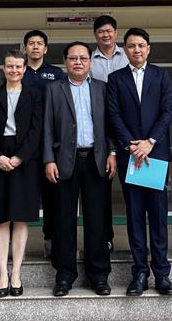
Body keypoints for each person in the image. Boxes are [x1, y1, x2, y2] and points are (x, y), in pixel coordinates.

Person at [43, 41, 117, 297]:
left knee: (97, 220)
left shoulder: (102, 89)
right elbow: (47, 127)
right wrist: (48, 159)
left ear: (90, 62)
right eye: (73, 58)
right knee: (63, 220)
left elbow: (109, 125)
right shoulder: (54, 89)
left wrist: (113, 153)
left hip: (96, 160)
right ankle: (65, 274)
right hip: (65, 161)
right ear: (65, 62)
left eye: (83, 58)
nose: (78, 62)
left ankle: (98, 275)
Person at [106, 27, 172, 296]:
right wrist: (132, 145)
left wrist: (150, 143)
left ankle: (161, 273)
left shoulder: (160, 75)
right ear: (124, 49)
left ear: (148, 48)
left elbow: (167, 110)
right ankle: (139, 273)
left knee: (158, 216)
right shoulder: (116, 78)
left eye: (141, 45)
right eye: (131, 46)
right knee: (135, 216)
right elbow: (113, 115)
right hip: (131, 156)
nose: (136, 50)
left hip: (155, 155)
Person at [0, 49, 43, 298]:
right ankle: (2, 273)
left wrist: (20, 157)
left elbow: (37, 129)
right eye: (10, 66)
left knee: (21, 217)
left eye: (18, 66)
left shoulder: (34, 94)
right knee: (1, 217)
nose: (14, 70)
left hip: (25, 159)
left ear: (25, 69)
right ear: (3, 68)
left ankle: (17, 273)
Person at [20, 29, 65, 259]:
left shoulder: (57, 74)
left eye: (39, 43)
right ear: (25, 48)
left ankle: (51, 239)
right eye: (31, 43)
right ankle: (17, 244)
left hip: (51, 145)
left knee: (52, 197)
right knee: (23, 195)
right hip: (23, 146)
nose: (35, 47)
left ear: (46, 49)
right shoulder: (19, 72)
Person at [89, 15, 128, 252]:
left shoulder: (127, 56)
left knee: (133, 188)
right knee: (101, 189)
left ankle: (138, 240)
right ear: (96, 35)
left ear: (116, 33)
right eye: (101, 31)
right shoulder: (89, 59)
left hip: (128, 126)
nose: (105, 35)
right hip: (101, 126)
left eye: (109, 31)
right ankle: (106, 236)